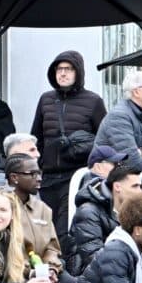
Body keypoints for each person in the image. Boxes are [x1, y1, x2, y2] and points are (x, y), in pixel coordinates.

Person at [31, 50, 107, 236]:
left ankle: (65, 264)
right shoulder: (46, 99)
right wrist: (37, 167)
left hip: (76, 176)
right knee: (44, 229)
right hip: (48, 178)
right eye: (59, 69)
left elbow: (104, 140)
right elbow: (36, 137)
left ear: (78, 72)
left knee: (65, 229)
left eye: (69, 69)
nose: (63, 73)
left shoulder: (93, 101)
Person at [97, 68, 142, 169]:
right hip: (112, 180)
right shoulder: (119, 116)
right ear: (136, 92)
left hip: (131, 179)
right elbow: (129, 158)